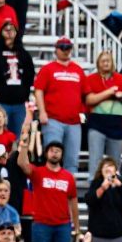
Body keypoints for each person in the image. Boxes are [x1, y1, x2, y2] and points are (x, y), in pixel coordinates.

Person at [18, 138, 79, 242]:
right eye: (52, 150)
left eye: (58, 151)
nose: (55, 153)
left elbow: (73, 202)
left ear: (62, 155)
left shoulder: (69, 177)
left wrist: (77, 227)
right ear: (46, 154)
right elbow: (22, 163)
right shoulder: (38, 172)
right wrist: (23, 147)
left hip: (63, 225)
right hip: (41, 224)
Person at [33, 37, 86, 175]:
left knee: (72, 161)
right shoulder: (48, 69)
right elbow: (38, 90)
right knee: (52, 158)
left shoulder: (78, 70)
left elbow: (85, 94)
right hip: (53, 119)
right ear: (56, 50)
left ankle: (68, 193)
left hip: (74, 122)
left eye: (67, 48)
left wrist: (83, 113)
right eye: (62, 47)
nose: (65, 51)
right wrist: (42, 112)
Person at [0, 21, 32, 137]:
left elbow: (30, 76)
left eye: (12, 30)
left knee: (20, 139)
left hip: (20, 104)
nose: (9, 33)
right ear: (1, 33)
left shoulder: (24, 55)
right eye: (6, 30)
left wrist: (24, 93)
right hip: (1, 103)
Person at [83, 50, 122, 169]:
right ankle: (94, 184)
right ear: (98, 64)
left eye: (108, 60)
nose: (106, 63)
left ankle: (114, 186)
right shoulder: (91, 79)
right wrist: (109, 92)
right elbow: (89, 100)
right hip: (97, 123)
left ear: (112, 62)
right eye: (103, 61)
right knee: (95, 160)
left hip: (116, 124)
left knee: (115, 162)